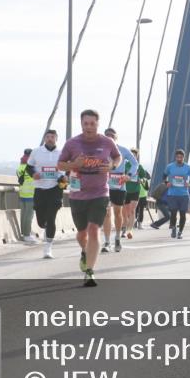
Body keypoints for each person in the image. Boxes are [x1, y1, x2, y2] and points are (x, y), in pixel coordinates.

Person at [58, 109, 121, 286]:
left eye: (92, 123)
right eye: (86, 123)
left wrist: (112, 165)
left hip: (100, 193)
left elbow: (117, 156)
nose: (89, 127)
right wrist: (73, 165)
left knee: (94, 229)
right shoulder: (72, 144)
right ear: (81, 124)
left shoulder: (106, 142)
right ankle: (85, 252)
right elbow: (60, 165)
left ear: (98, 124)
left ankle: (90, 271)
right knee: (81, 233)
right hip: (78, 195)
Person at [27, 131, 64, 258]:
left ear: (56, 139)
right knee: (41, 221)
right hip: (40, 188)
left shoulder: (62, 153)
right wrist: (33, 174)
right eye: (47, 137)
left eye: (52, 137)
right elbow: (29, 167)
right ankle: (45, 227)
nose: (50, 139)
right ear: (44, 139)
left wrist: (64, 179)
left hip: (55, 188)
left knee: (51, 217)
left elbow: (69, 169)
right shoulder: (36, 151)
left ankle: (48, 248)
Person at [102, 128, 138, 252]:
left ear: (116, 137)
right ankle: (106, 242)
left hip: (119, 184)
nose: (110, 137)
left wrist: (129, 175)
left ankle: (117, 237)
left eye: (112, 135)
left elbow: (135, 164)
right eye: (107, 135)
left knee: (118, 212)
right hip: (104, 185)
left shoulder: (123, 150)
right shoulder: (100, 149)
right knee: (106, 213)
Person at [152, 149, 190, 238]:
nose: (179, 158)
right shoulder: (170, 167)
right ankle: (174, 229)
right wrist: (167, 183)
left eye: (181, 157)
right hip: (172, 194)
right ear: (175, 157)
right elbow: (163, 177)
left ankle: (180, 232)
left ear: (184, 157)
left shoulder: (188, 167)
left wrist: (189, 184)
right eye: (178, 157)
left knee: (183, 214)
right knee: (173, 213)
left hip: (184, 195)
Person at [125, 148, 150, 236]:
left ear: (137, 156)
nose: (133, 156)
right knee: (126, 212)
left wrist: (140, 180)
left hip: (135, 190)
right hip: (125, 190)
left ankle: (129, 230)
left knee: (132, 210)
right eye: (131, 155)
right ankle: (125, 228)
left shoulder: (139, 166)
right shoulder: (125, 165)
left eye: (134, 155)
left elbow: (144, 177)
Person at [16, 148, 37, 243]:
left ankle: (24, 232)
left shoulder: (20, 167)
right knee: (29, 216)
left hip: (22, 193)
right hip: (31, 194)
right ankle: (27, 235)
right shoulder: (30, 167)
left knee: (23, 215)